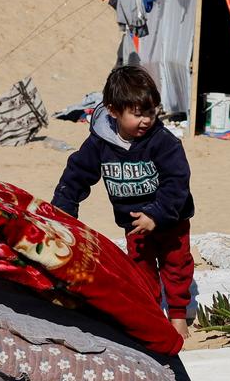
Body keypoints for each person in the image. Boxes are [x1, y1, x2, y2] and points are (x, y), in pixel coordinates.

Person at [52, 65, 195, 339]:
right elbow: (77, 174)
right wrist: (64, 208)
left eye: (151, 112)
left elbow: (177, 181)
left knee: (176, 267)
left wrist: (157, 214)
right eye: (137, 114)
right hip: (134, 224)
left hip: (171, 220)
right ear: (114, 110)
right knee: (141, 271)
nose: (146, 121)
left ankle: (178, 316)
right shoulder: (100, 143)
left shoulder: (164, 143)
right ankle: (152, 315)